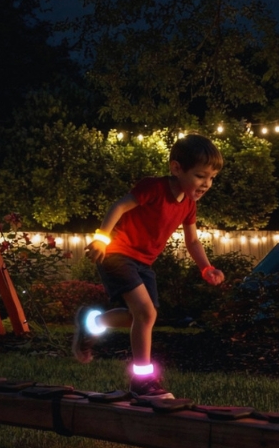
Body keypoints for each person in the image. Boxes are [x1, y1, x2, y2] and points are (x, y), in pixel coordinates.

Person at [71, 133, 226, 398]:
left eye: (212, 178)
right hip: (117, 253)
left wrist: (206, 267)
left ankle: (92, 323)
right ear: (176, 168)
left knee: (140, 317)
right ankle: (141, 381)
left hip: (144, 263)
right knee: (146, 314)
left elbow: (193, 242)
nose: (207, 184)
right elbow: (118, 206)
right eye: (201, 176)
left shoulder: (188, 206)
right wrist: (100, 239)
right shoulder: (153, 188)